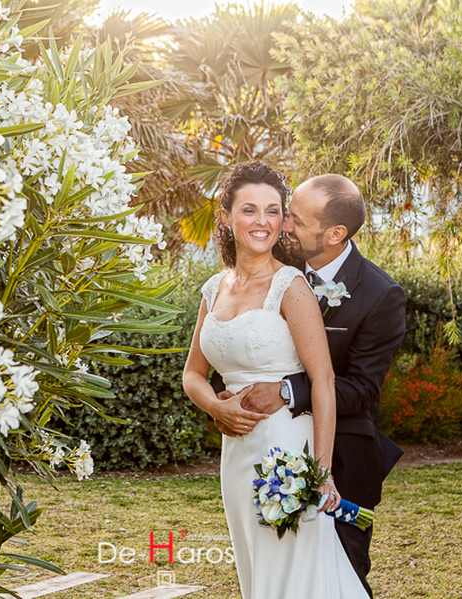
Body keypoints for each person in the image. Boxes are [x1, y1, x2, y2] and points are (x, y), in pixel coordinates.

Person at [183, 161, 369, 599]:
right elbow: (193, 374)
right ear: (226, 217)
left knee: (294, 575)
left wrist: (321, 473)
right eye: (249, 210)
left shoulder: (290, 286)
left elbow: (323, 382)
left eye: (272, 210)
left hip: (286, 455)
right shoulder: (214, 289)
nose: (262, 221)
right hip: (236, 456)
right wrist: (214, 405)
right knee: (256, 573)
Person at [215, 174, 407, 598]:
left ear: (335, 233)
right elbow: (245, 336)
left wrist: (287, 391)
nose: (283, 226)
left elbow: (362, 390)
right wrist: (227, 397)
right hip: (264, 449)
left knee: (341, 577)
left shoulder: (380, 295)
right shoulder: (278, 264)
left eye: (295, 220)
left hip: (343, 460)